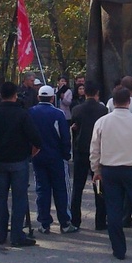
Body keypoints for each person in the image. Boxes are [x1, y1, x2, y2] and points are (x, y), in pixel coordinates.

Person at [90, 87, 132, 260]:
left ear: (113, 103)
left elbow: (94, 150)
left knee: (113, 210)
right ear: (129, 101)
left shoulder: (102, 122)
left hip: (109, 170)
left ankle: (119, 250)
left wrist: (96, 170)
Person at [0, 81, 41, 247]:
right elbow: (36, 138)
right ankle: (17, 235)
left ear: (1, 95)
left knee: (0, 197)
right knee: (19, 198)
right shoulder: (22, 115)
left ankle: (0, 234)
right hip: (19, 160)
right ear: (15, 95)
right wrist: (31, 153)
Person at [28, 85, 78, 234]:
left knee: (42, 190)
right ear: (52, 98)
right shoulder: (58, 113)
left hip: (38, 157)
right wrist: (66, 154)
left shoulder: (31, 112)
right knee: (61, 190)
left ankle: (44, 223)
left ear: (38, 97)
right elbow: (65, 136)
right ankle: (64, 222)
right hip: (56, 157)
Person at [70, 81, 108, 230]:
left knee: (78, 186)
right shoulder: (103, 110)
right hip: (98, 153)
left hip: (81, 152)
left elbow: (74, 127)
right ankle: (100, 221)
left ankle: (75, 219)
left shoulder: (77, 109)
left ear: (84, 93)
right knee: (98, 186)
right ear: (97, 93)